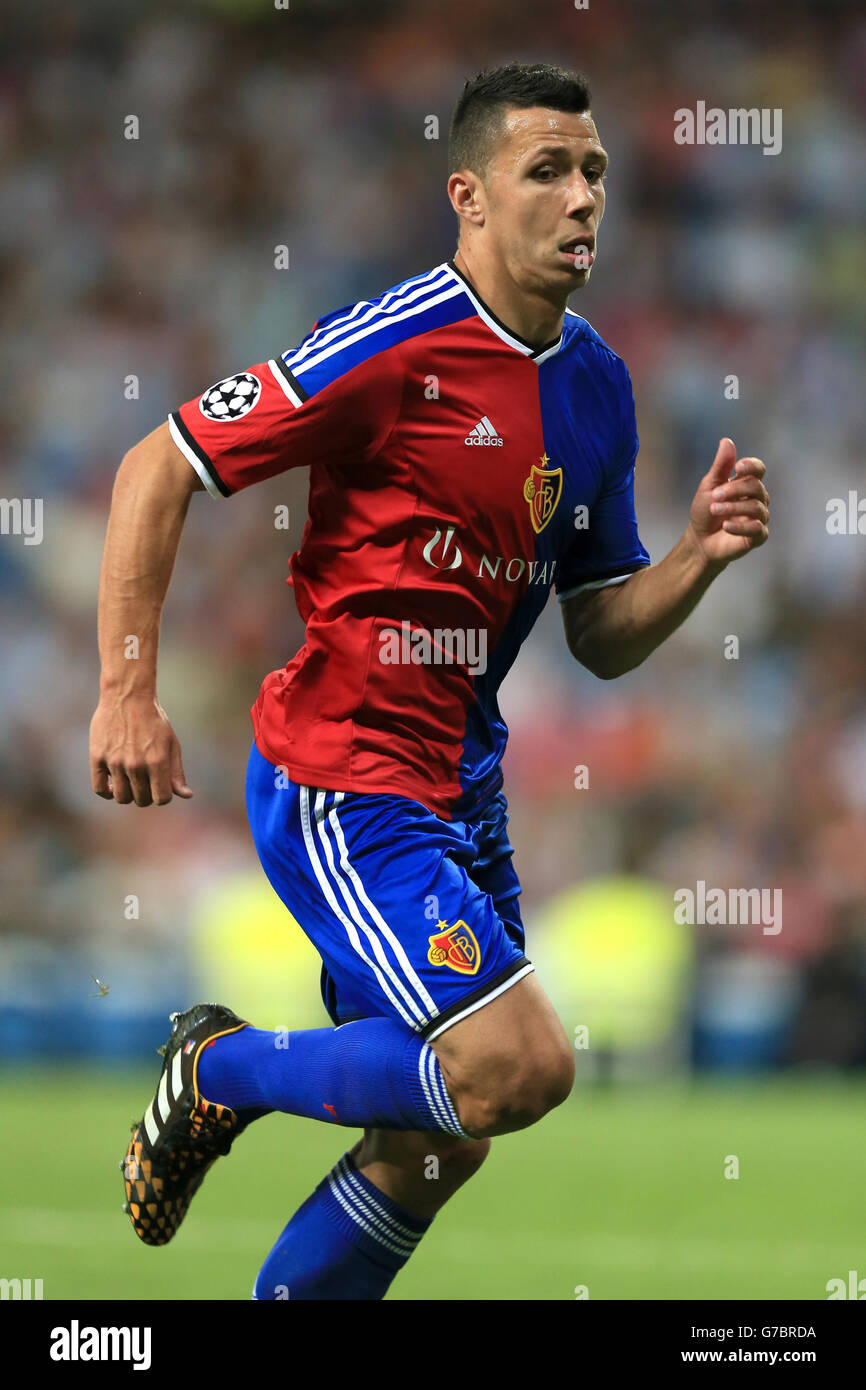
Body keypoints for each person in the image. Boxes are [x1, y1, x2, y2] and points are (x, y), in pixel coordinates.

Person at [90, 61, 769, 1299]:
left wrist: (695, 557)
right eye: (546, 171)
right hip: (343, 779)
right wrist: (128, 687)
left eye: (595, 173)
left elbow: (599, 632)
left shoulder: (596, 385)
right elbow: (159, 463)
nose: (582, 200)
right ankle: (222, 1068)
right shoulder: (391, 344)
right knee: (521, 1068)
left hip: (462, 790)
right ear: (468, 195)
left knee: (435, 1142)